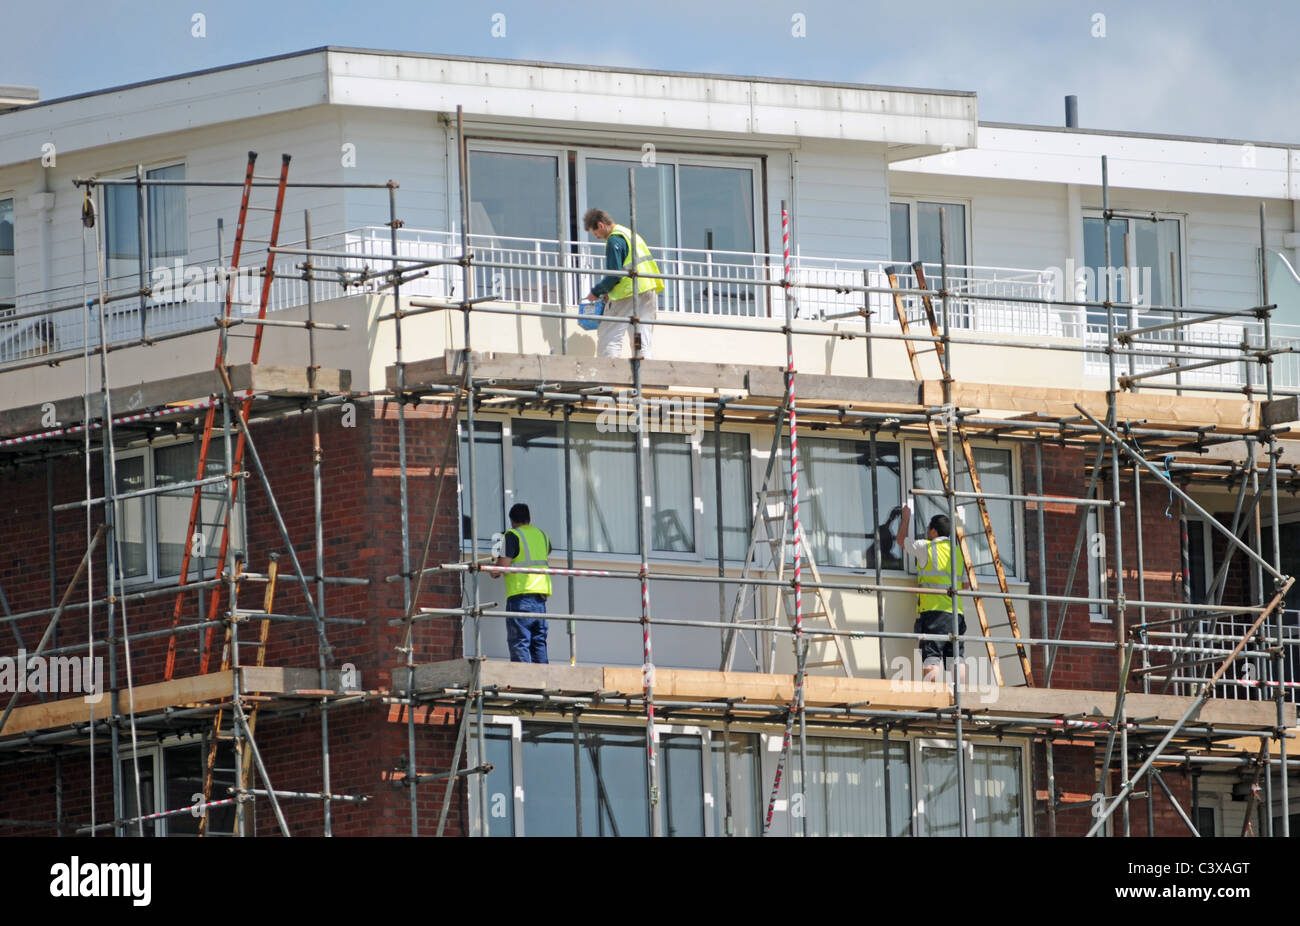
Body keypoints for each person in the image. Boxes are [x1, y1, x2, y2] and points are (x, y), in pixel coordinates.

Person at [895, 505, 966, 683]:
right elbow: (962, 584)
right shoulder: (958, 552)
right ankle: (960, 696)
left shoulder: (925, 547)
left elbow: (901, 540)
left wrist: (905, 518)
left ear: (933, 531)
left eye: (928, 529)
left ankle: (933, 698)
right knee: (956, 658)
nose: (926, 532)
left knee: (932, 655)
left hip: (934, 613)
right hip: (957, 614)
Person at [583, 207, 664, 359]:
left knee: (609, 336)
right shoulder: (629, 234)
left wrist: (597, 291)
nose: (598, 237)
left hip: (627, 292)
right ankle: (644, 377)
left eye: (596, 233)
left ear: (600, 225)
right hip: (647, 290)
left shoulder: (614, 239)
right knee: (641, 338)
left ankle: (608, 377)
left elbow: (615, 275)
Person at [492, 503, 552, 663]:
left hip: (520, 597)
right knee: (538, 642)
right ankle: (543, 680)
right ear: (529, 518)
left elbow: (501, 568)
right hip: (540, 599)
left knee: (520, 641)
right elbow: (546, 551)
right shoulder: (542, 535)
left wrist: (493, 568)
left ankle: (525, 683)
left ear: (511, 520)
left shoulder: (512, 535)